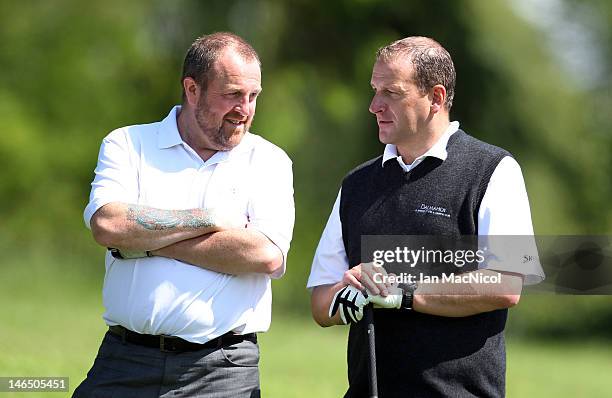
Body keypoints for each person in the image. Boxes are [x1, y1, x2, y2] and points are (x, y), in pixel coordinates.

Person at [307, 36, 544, 397]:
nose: (374, 105)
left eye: (392, 93)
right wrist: (350, 295)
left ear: (435, 97)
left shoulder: (493, 169)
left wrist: (403, 294)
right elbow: (322, 302)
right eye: (374, 90)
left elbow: (507, 283)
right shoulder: (356, 183)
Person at [74, 32, 294, 398]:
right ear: (192, 89)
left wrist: (145, 244)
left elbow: (264, 255)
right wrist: (209, 218)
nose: (245, 108)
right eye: (233, 94)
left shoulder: (269, 161)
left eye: (253, 96)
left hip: (223, 369)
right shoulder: (127, 144)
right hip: (125, 360)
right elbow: (109, 224)